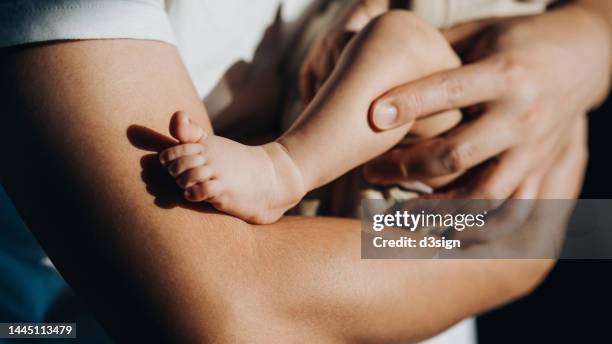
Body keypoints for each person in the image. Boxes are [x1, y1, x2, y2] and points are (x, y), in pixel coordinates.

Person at [0, 0, 601, 342]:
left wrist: (593, 37)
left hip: (416, 208)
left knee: (406, 66)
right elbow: (228, 315)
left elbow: (586, 230)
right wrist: (516, 254)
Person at [158, 10, 461, 224]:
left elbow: (500, 237)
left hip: (413, 190)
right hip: (338, 218)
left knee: (405, 38)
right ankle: (276, 168)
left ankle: (284, 171)